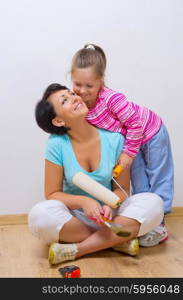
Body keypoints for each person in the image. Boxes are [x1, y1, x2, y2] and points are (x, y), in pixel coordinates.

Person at [28, 83, 164, 265]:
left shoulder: (114, 138)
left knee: (153, 202)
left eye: (71, 93)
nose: (75, 97)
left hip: (113, 216)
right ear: (59, 121)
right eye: (65, 100)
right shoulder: (56, 144)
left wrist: (109, 203)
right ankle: (117, 240)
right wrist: (84, 202)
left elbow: (122, 189)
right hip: (78, 219)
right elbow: (52, 193)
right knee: (39, 215)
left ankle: (78, 249)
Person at [70, 43, 174, 247]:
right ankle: (149, 219)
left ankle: (160, 225)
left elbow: (135, 124)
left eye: (89, 86)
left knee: (158, 176)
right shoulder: (79, 103)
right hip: (129, 142)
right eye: (77, 84)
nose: (82, 91)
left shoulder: (112, 99)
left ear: (101, 81)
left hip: (150, 132)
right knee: (140, 183)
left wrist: (128, 153)